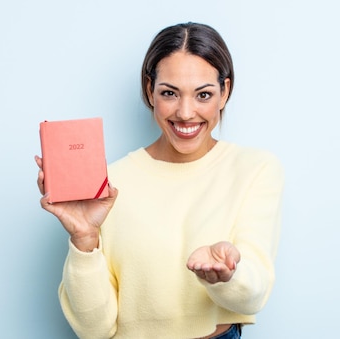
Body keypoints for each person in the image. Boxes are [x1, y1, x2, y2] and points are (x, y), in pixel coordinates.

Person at [35, 22, 285, 339]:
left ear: (225, 92)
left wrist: (227, 275)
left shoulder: (255, 168)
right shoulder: (107, 185)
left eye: (203, 95)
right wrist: (85, 239)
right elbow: (94, 330)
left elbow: (255, 294)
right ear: (149, 89)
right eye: (169, 93)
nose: (185, 112)